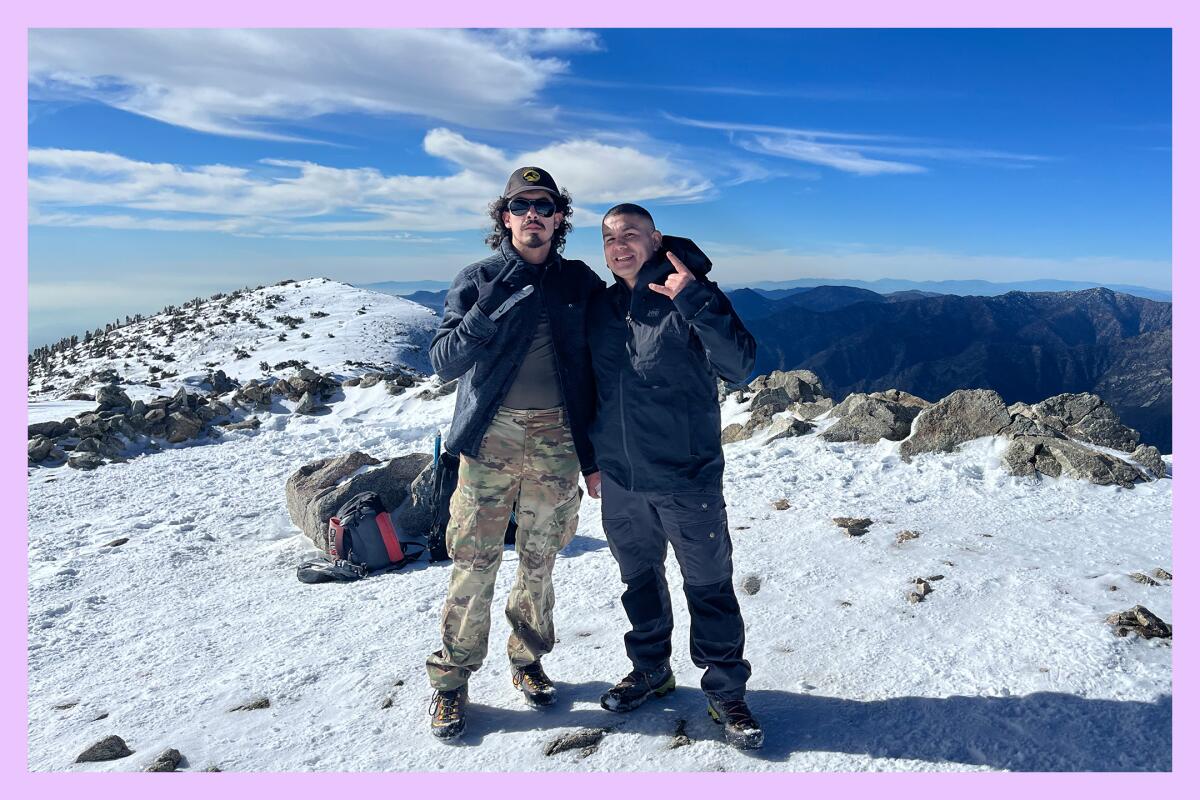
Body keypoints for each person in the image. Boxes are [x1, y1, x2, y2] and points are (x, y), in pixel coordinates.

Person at [425, 167, 604, 741]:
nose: (534, 214)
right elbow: (443, 361)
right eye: (521, 204)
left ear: (559, 217)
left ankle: (528, 662)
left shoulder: (578, 282)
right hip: (491, 437)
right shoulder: (478, 279)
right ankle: (451, 682)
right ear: (504, 217)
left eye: (544, 205)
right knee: (473, 561)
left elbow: (609, 354)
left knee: (539, 559)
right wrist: (487, 311)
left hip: (558, 439)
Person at [585, 203, 763, 749]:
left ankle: (725, 690)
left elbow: (740, 363)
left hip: (686, 476)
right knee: (639, 582)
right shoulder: (603, 306)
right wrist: (591, 460)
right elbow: (590, 388)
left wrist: (694, 299)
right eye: (610, 237)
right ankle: (651, 670)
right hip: (620, 479)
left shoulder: (687, 291)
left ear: (655, 238)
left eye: (631, 235)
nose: (620, 246)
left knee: (708, 586)